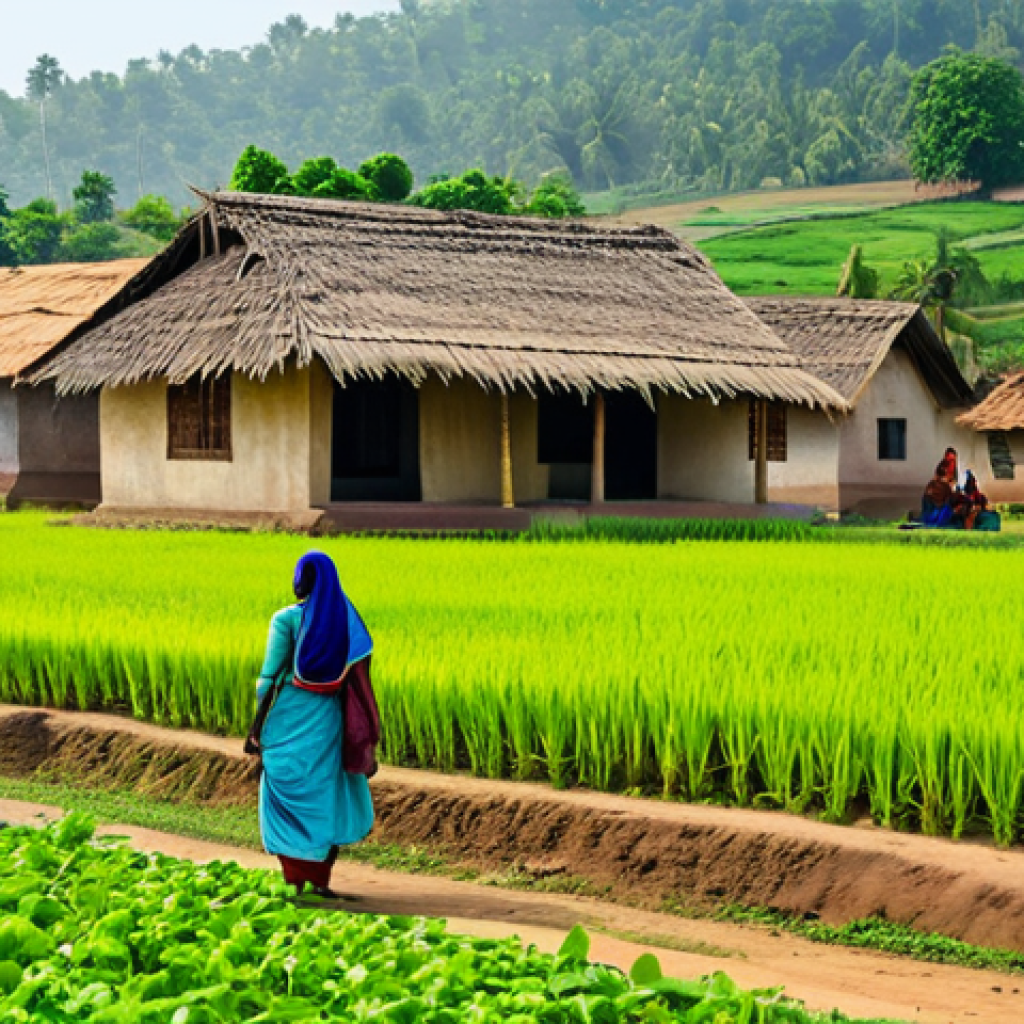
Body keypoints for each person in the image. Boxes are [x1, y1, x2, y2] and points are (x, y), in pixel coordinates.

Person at [256, 551, 374, 897]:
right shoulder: (345, 621)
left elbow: (268, 678)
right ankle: (320, 878)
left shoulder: (285, 620)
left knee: (285, 788)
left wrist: (256, 723)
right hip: (327, 719)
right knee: (323, 790)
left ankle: (295, 878)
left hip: (289, 713)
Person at [920, 461, 955, 527]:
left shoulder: (933, 484)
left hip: (931, 515)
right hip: (935, 516)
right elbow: (949, 500)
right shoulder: (944, 486)